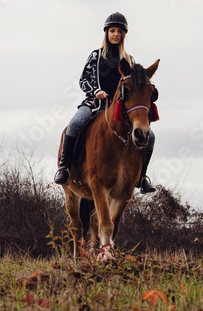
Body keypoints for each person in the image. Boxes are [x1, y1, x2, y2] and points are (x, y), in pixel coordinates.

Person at [53, 12, 156, 192]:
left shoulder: (130, 60)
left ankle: (142, 177)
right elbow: (83, 80)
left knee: (151, 136)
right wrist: (96, 91)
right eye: (112, 31)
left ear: (124, 35)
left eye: (119, 31)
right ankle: (64, 168)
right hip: (95, 104)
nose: (115, 34)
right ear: (106, 33)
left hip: (120, 108)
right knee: (74, 124)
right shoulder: (96, 56)